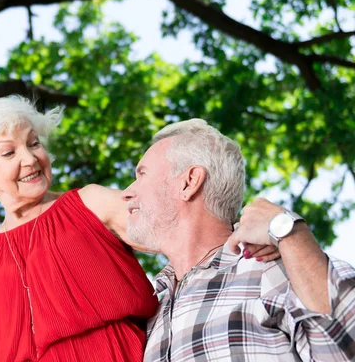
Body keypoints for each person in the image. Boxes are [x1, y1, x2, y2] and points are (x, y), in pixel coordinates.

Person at [0, 95, 162, 362]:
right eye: (9, 152)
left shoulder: (92, 203)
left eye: (33, 143)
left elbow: (182, 234)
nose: (30, 158)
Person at [121, 118, 355, 361]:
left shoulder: (271, 269)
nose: (127, 193)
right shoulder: (152, 311)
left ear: (189, 182)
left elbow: (346, 345)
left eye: (142, 174)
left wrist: (288, 231)